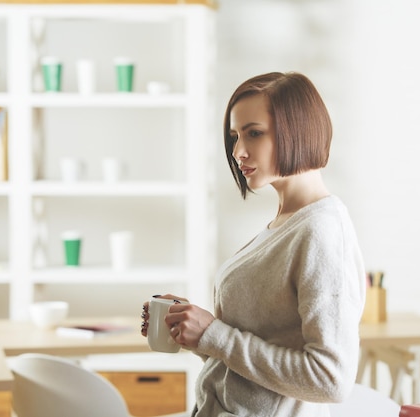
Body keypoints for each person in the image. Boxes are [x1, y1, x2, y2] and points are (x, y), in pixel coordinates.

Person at [140, 71, 365, 417]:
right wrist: (194, 329)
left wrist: (214, 334)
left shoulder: (321, 231)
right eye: (234, 137)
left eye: (254, 133)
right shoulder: (287, 223)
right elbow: (254, 355)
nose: (238, 152)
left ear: (297, 130)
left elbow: (330, 379)